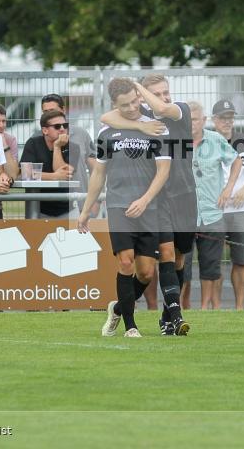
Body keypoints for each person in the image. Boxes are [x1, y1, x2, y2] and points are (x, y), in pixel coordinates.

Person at [77, 78, 179, 337]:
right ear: (115, 105)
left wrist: (145, 200)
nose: (133, 107)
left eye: (135, 100)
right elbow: (98, 174)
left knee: (145, 272)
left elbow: (163, 171)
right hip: (118, 205)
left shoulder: (157, 128)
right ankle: (130, 326)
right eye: (126, 105)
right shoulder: (106, 132)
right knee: (125, 262)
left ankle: (119, 309)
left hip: (149, 207)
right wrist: (86, 210)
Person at [99, 75, 193, 335]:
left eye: (165, 92)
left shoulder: (179, 109)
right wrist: (141, 124)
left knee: (178, 259)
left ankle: (123, 308)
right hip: (157, 198)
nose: (163, 97)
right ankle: (175, 318)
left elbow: (162, 109)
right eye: (157, 93)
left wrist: (137, 86)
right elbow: (106, 118)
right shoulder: (141, 114)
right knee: (165, 254)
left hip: (183, 194)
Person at [189, 101, 241, 309]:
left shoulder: (216, 140)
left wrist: (228, 189)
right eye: (188, 119)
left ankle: (205, 308)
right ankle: (182, 308)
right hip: (184, 215)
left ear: (203, 121)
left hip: (212, 214)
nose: (191, 123)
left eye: (195, 119)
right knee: (181, 266)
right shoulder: (174, 143)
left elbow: (237, 161)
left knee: (210, 266)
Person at [211, 99, 244, 310]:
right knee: (213, 261)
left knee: (241, 261)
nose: (227, 121)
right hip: (214, 210)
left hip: (240, 209)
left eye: (230, 117)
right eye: (223, 117)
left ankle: (240, 307)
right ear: (214, 120)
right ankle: (216, 306)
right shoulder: (206, 141)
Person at [20, 109, 79, 219]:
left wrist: (57, 146)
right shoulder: (33, 144)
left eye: (65, 125)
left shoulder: (74, 147)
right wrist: (54, 176)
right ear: (45, 130)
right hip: (39, 209)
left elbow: (64, 175)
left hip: (68, 209)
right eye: (57, 126)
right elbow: (26, 174)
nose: (62, 129)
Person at [0, 103, 20, 219]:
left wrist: (3, 143)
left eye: (4, 121)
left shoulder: (9, 139)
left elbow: (12, 174)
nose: (1, 125)